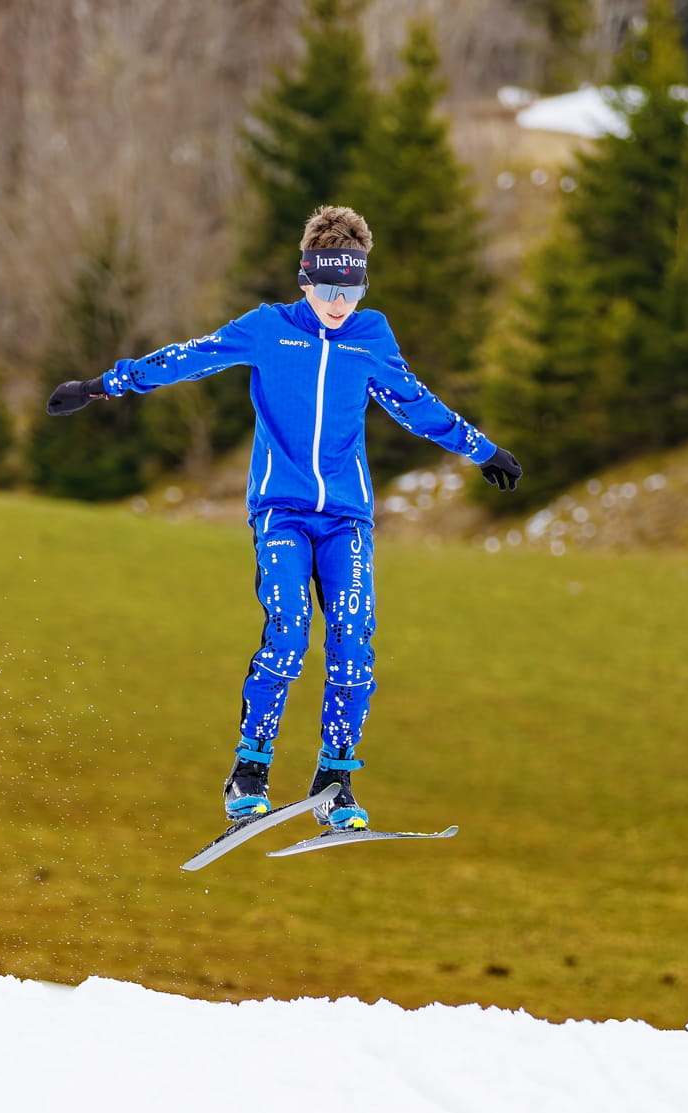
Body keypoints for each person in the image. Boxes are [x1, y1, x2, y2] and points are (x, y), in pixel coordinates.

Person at [44, 206, 522, 831]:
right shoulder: (269, 329)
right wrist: (103, 386)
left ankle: (335, 780)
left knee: (353, 645)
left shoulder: (371, 336)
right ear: (305, 279)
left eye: (351, 290)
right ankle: (249, 770)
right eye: (328, 289)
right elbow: (190, 356)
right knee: (290, 634)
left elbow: (416, 403)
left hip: (346, 519)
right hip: (281, 513)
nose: (339, 303)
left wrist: (483, 450)